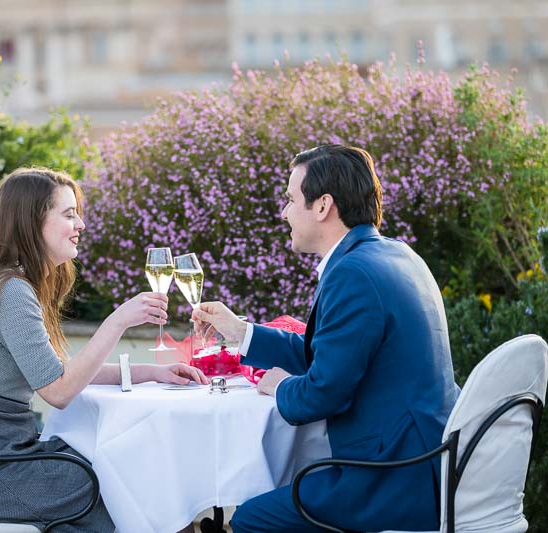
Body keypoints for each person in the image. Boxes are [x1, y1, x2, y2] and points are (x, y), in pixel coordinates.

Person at [193, 145, 458, 532]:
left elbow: (322, 395)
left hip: (391, 477)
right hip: (428, 463)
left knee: (251, 519)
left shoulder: (353, 273)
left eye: (289, 199)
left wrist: (281, 386)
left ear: (322, 206)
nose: (283, 213)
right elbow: (328, 357)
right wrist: (241, 332)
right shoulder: (395, 255)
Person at [0, 167, 208, 532]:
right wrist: (117, 321)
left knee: (125, 475)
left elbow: (58, 372)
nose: (80, 223)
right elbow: (60, 391)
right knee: (127, 483)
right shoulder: (10, 292)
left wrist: (149, 372)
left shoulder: (2, 284)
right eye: (68, 214)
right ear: (32, 222)